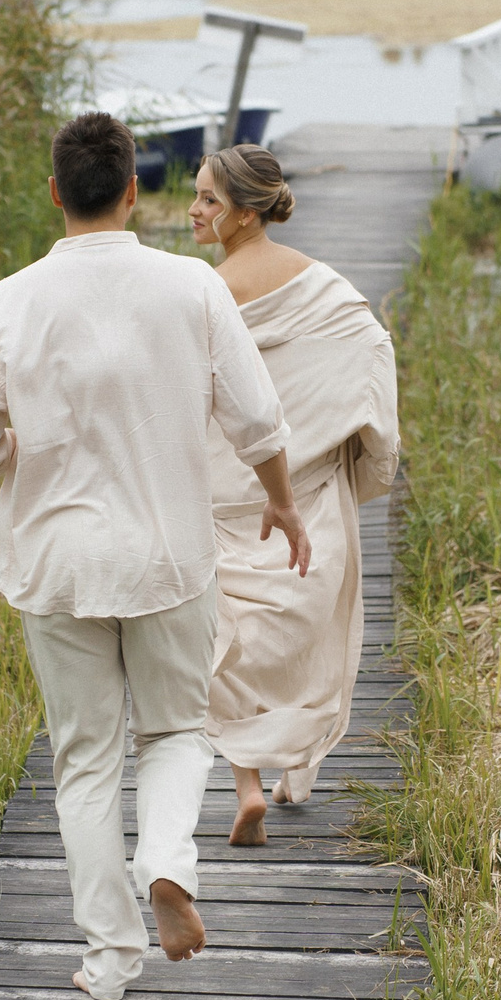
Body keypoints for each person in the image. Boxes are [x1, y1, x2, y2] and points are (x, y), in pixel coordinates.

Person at [0, 113, 311, 1000]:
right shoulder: (192, 287)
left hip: (57, 562)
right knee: (176, 731)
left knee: (85, 758)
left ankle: (110, 958)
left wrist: (6, 453)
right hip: (170, 557)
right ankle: (168, 861)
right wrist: (283, 501)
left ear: (56, 193)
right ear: (135, 192)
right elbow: (257, 418)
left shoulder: (12, 298)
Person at [187, 145, 399, 848]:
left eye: (209, 200)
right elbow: (372, 357)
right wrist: (357, 447)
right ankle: (294, 772)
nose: (194, 210)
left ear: (247, 213)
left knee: (224, 638)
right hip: (304, 488)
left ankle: (249, 785)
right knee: (311, 632)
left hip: (226, 490)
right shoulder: (326, 288)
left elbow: (183, 387)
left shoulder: (204, 292)